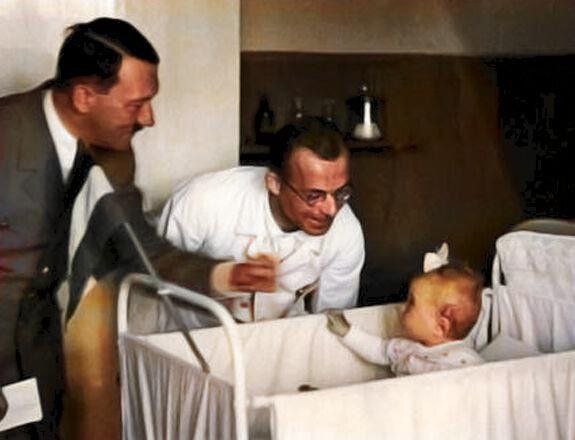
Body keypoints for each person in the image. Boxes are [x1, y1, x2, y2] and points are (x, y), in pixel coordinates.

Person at [0, 17, 273, 439]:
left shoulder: (113, 154)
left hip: (36, 350)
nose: (149, 118)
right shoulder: (7, 135)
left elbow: (138, 246)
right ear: (84, 97)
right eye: (136, 104)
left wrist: (226, 275)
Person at [159, 116, 365, 322]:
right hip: (192, 334)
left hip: (282, 335)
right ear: (274, 183)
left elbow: (333, 322)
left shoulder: (346, 231)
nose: (331, 210)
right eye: (313, 195)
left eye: (341, 193)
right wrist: (223, 276)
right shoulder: (203, 200)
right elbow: (154, 274)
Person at [327, 246, 484, 376]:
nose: (402, 307)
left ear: (440, 326)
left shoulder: (463, 364)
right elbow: (379, 350)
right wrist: (347, 332)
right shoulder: (405, 347)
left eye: (411, 303)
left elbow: (485, 388)